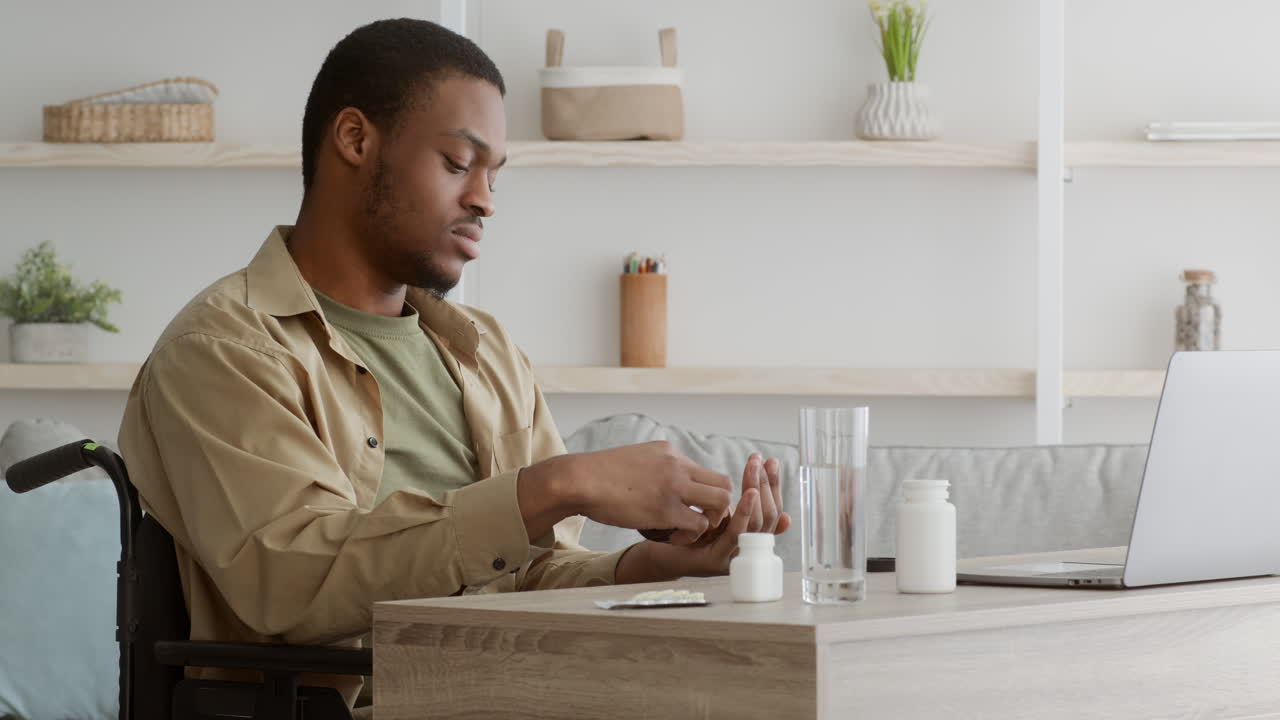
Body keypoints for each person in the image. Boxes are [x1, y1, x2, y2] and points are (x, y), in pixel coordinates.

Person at [117, 17, 789, 710]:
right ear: (354, 140)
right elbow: (292, 582)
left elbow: (525, 582)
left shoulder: (485, 350)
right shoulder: (224, 352)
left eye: (495, 175)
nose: (485, 201)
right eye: (458, 163)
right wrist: (555, 485)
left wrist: (650, 567)